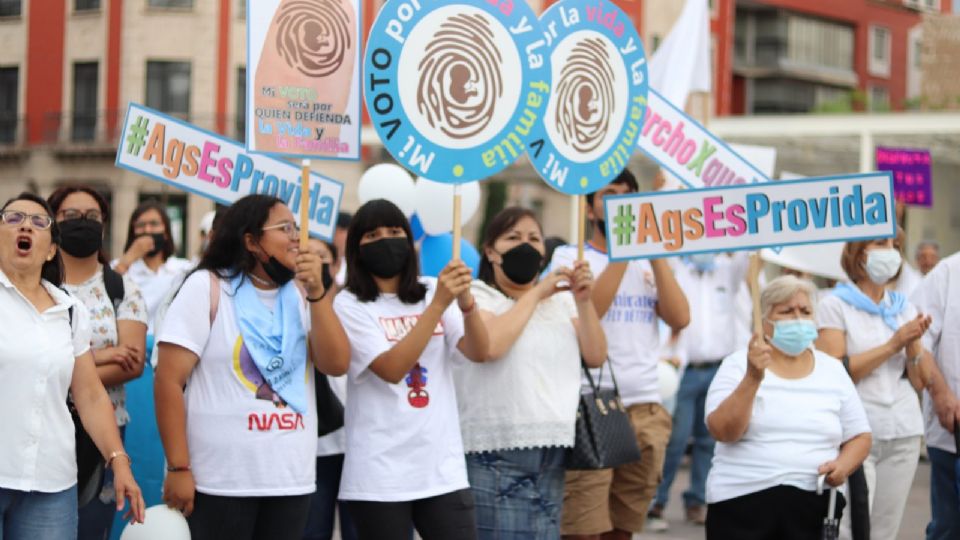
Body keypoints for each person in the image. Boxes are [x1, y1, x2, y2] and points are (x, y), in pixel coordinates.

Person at [154, 194, 350, 540]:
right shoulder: (207, 287)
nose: (297, 238)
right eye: (285, 228)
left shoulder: (303, 293)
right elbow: (169, 379)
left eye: (298, 228)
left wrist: (319, 293)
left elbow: (335, 363)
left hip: (291, 479)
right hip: (220, 481)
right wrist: (178, 466)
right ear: (251, 241)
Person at [333, 199, 488, 540]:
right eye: (372, 234)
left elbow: (479, 351)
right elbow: (391, 368)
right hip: (380, 476)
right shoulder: (349, 305)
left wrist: (466, 303)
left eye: (394, 231)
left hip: (441, 470)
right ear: (357, 248)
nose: (386, 239)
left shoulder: (432, 289)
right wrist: (436, 307)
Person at [549, 169, 690, 540]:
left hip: (645, 407)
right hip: (589, 407)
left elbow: (679, 318)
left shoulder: (649, 259)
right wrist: (625, 250)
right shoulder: (570, 256)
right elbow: (589, 310)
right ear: (590, 209)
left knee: (623, 529)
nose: (620, 202)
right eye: (610, 195)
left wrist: (654, 249)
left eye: (628, 195)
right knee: (582, 528)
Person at [453, 207, 606, 539]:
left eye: (534, 239)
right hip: (494, 452)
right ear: (490, 252)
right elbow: (491, 347)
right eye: (513, 238)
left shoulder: (563, 304)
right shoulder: (478, 296)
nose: (525, 245)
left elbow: (595, 355)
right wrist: (537, 293)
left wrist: (584, 301)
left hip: (552, 451)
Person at [0, 192, 145, 538]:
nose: (26, 226)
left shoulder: (69, 310)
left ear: (51, 249)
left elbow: (91, 395)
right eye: (13, 218)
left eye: (39, 222)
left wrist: (119, 460)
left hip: (51, 483)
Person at [704, 275, 872, 539]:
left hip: (814, 503)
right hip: (743, 501)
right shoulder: (737, 365)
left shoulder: (832, 370)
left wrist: (842, 466)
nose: (798, 318)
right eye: (786, 311)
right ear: (764, 322)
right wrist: (752, 378)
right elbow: (723, 431)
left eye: (805, 311)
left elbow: (860, 435)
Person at [816, 235, 954, 540]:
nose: (890, 252)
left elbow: (919, 380)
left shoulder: (903, 307)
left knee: (885, 531)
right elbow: (836, 371)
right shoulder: (835, 304)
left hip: (902, 430)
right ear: (857, 252)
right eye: (881, 244)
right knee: (852, 528)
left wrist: (915, 343)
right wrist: (894, 344)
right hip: (857, 434)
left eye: (894, 246)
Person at [48, 185, 149, 540]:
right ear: (53, 224)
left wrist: (61, 373)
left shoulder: (121, 289)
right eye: (70, 217)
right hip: (42, 427)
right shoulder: (35, 286)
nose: (82, 224)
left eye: (92, 217)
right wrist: (104, 356)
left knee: (92, 528)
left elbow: (133, 363)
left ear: (104, 226)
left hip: (102, 434)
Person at [649, 252, 749, 530]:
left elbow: (746, 252)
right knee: (675, 439)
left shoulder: (727, 269)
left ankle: (697, 500)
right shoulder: (676, 267)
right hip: (683, 369)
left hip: (719, 369)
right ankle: (656, 502)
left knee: (708, 441)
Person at [302, 237, 357, 540]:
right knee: (313, 530)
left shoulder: (352, 307)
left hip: (354, 444)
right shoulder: (290, 303)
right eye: (305, 254)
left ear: (336, 265)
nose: (313, 261)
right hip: (315, 448)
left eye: (321, 256)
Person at [910, 251, 960, 540]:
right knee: (949, 527)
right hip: (953, 430)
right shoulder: (948, 273)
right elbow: (917, 339)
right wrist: (940, 393)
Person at [112, 200, 193, 334]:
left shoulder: (183, 269)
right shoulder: (118, 267)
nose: (147, 230)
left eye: (154, 224)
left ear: (166, 232)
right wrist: (128, 259)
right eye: (141, 225)